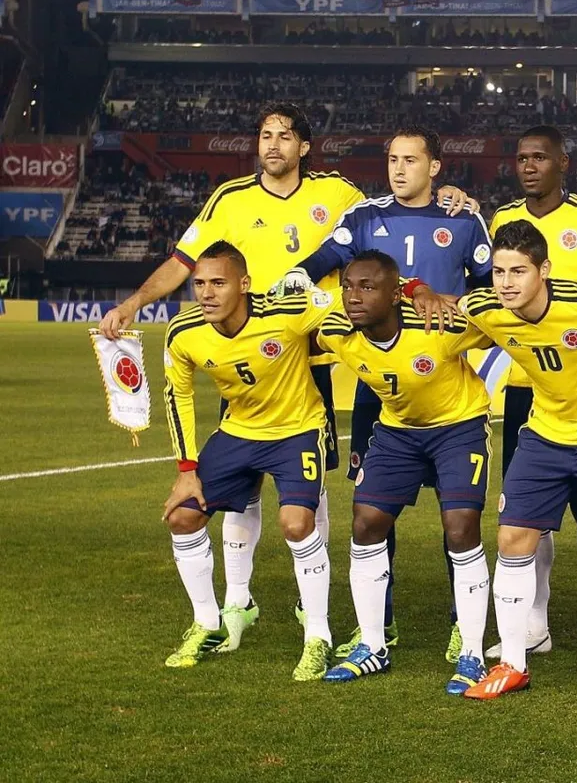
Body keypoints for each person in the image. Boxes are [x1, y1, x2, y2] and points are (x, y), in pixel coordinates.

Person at [100, 103, 472, 651]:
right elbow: (183, 262)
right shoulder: (229, 200)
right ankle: (236, 600)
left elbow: (394, 204)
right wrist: (134, 301)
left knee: (314, 482)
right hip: (249, 356)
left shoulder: (338, 192)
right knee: (241, 485)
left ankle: (314, 605)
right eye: (265, 135)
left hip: (316, 356)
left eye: (284, 136)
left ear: (304, 146)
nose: (271, 145)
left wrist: (455, 200)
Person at [276, 124, 490, 664]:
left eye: (411, 160)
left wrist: (452, 305)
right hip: (379, 389)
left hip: (442, 377)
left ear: (435, 166)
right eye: (393, 159)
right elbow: (317, 266)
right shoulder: (365, 217)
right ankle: (382, 623)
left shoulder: (462, 218)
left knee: (456, 514)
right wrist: (290, 288)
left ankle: (461, 627)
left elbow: (493, 287)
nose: (399, 169)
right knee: (373, 511)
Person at [457, 221, 577, 711]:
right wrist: (423, 292)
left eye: (519, 271)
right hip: (545, 436)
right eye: (498, 271)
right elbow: (449, 310)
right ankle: (514, 664)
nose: (506, 282)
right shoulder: (487, 309)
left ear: (544, 270)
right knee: (511, 539)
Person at [313, 251, 494, 694]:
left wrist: (424, 291)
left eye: (367, 288)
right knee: (366, 522)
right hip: (398, 431)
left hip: (459, 428)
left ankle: (472, 651)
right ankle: (372, 644)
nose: (353, 297)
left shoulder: (439, 326)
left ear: (395, 296)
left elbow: (495, 328)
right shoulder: (336, 331)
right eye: (348, 287)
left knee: (460, 527)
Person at [160, 241, 338, 681]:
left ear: (244, 284)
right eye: (199, 283)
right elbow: (177, 394)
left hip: (297, 428)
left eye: (218, 283)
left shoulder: (287, 311)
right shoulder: (184, 333)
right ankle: (206, 622)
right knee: (183, 517)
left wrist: (413, 289)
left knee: (297, 524)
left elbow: (351, 302)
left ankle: (318, 635)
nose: (206, 293)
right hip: (239, 430)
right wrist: (186, 470)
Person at [486, 126, 577, 668]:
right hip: (529, 391)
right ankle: (533, 624)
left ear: (564, 161)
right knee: (527, 517)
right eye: (521, 158)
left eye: (540, 156)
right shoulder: (501, 220)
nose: (529, 165)